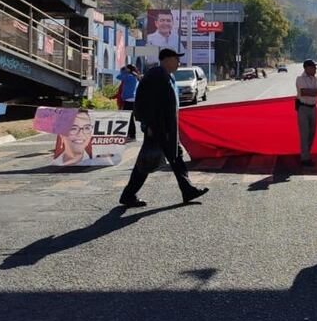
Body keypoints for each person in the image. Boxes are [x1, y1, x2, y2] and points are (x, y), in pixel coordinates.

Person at [119, 48, 208, 207]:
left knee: (176, 157)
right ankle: (128, 194)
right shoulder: (155, 76)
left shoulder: (168, 76)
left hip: (167, 128)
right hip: (157, 128)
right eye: (176, 59)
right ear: (166, 59)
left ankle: (187, 190)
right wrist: (149, 125)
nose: (179, 62)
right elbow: (143, 103)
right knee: (148, 160)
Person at [51, 109, 116, 167]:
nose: (80, 134)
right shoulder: (57, 161)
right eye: (73, 128)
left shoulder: (98, 160)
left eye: (87, 128)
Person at [295, 59, 317, 167]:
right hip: (303, 108)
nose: (315, 69)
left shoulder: (316, 79)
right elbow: (304, 92)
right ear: (307, 68)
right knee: (304, 134)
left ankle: (306, 153)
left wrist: (314, 92)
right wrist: (316, 92)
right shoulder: (300, 79)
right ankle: (305, 158)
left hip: (314, 108)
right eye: (313, 67)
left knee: (312, 133)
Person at [116, 64, 141, 141]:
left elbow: (118, 77)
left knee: (128, 119)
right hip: (133, 100)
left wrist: (123, 71)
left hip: (128, 100)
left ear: (128, 70)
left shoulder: (128, 77)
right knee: (130, 118)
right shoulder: (135, 76)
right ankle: (131, 135)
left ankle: (132, 136)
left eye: (126, 69)